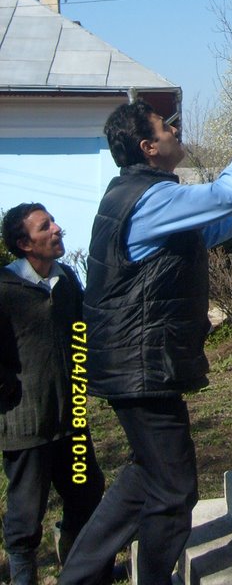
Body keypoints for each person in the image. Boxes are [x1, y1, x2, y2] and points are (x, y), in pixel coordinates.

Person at [58, 99, 232, 585]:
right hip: (142, 368)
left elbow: (198, 237)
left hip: (138, 365)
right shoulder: (148, 198)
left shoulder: (141, 194)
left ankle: (79, 573)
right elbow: (222, 194)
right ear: (148, 147)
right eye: (165, 127)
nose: (176, 129)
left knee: (146, 475)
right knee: (175, 489)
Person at [1, 204, 105, 585]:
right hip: (26, 426)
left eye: (54, 222)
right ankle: (24, 576)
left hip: (71, 420)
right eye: (46, 227)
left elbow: (81, 334)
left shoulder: (67, 281)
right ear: (24, 244)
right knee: (26, 515)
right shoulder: (5, 290)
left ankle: (78, 570)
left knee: (86, 492)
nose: (58, 229)